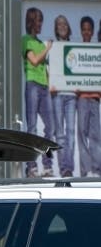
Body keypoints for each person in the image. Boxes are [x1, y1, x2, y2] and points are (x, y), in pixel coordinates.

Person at [22, 7, 55, 178]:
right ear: (31, 22)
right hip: (32, 85)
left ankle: (47, 165)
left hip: (43, 87)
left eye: (41, 20)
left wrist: (50, 85)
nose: (40, 24)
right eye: (38, 21)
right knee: (32, 127)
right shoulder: (26, 41)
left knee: (50, 127)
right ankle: (31, 167)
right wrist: (47, 48)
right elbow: (34, 61)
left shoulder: (40, 43)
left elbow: (45, 68)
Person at [50, 15, 76, 178]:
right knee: (60, 132)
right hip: (57, 94)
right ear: (56, 27)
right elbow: (47, 69)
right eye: (59, 24)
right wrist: (49, 84)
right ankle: (63, 168)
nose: (62, 26)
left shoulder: (74, 46)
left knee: (71, 132)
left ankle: (69, 168)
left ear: (68, 27)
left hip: (72, 94)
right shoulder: (51, 46)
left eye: (64, 23)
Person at [76, 16, 101, 176]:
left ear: (92, 32)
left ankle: (97, 169)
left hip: (95, 98)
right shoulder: (76, 50)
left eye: (89, 30)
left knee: (95, 135)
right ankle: (85, 169)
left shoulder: (97, 51)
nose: (86, 32)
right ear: (81, 31)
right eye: (84, 29)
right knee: (82, 134)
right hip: (82, 97)